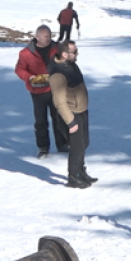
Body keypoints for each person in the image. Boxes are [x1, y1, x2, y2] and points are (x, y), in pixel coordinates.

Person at [15, 25, 69, 158]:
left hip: (55, 89)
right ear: (37, 37)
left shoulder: (57, 48)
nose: (48, 38)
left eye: (49, 35)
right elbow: (19, 69)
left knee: (59, 117)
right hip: (37, 91)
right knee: (40, 120)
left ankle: (63, 144)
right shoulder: (25, 53)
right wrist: (29, 77)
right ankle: (43, 147)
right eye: (45, 36)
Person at [48, 41, 96, 189]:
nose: (76, 54)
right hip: (71, 114)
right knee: (76, 147)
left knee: (84, 143)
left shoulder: (70, 65)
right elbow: (59, 101)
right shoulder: (58, 74)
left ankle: (81, 171)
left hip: (81, 110)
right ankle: (73, 177)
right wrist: (70, 122)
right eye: (74, 52)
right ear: (64, 54)